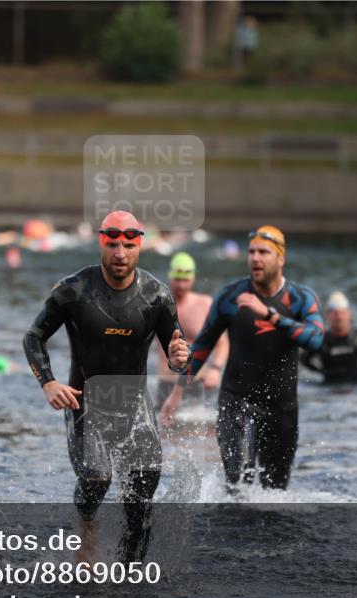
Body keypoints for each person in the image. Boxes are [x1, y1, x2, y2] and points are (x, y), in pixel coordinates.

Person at [23, 210, 190, 561]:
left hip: (133, 404)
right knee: (98, 477)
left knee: (143, 487)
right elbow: (34, 337)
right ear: (101, 243)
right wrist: (48, 383)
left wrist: (179, 360)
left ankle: (129, 577)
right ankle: (85, 524)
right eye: (112, 244)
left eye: (128, 245)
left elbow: (179, 353)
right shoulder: (74, 290)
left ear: (139, 246)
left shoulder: (157, 296)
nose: (120, 253)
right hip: (85, 400)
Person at [160, 226, 323, 491]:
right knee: (236, 485)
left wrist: (270, 316)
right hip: (236, 400)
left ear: (281, 259)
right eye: (251, 252)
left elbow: (316, 340)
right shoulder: (230, 296)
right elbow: (202, 346)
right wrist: (177, 392)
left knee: (275, 491)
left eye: (264, 252)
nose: (255, 258)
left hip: (281, 406)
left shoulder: (301, 299)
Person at [154, 252, 229, 411]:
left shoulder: (205, 304)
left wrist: (215, 369)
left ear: (193, 278)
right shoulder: (157, 306)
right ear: (169, 277)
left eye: (185, 280)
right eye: (177, 279)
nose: (181, 285)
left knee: (198, 434)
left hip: (196, 383)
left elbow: (222, 342)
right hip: (166, 384)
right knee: (164, 434)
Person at [300, 291, 357, 385]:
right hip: (329, 392)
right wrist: (321, 371)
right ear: (328, 315)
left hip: (356, 391)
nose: (339, 317)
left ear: (349, 313)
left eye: (342, 313)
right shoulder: (321, 341)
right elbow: (303, 360)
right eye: (335, 313)